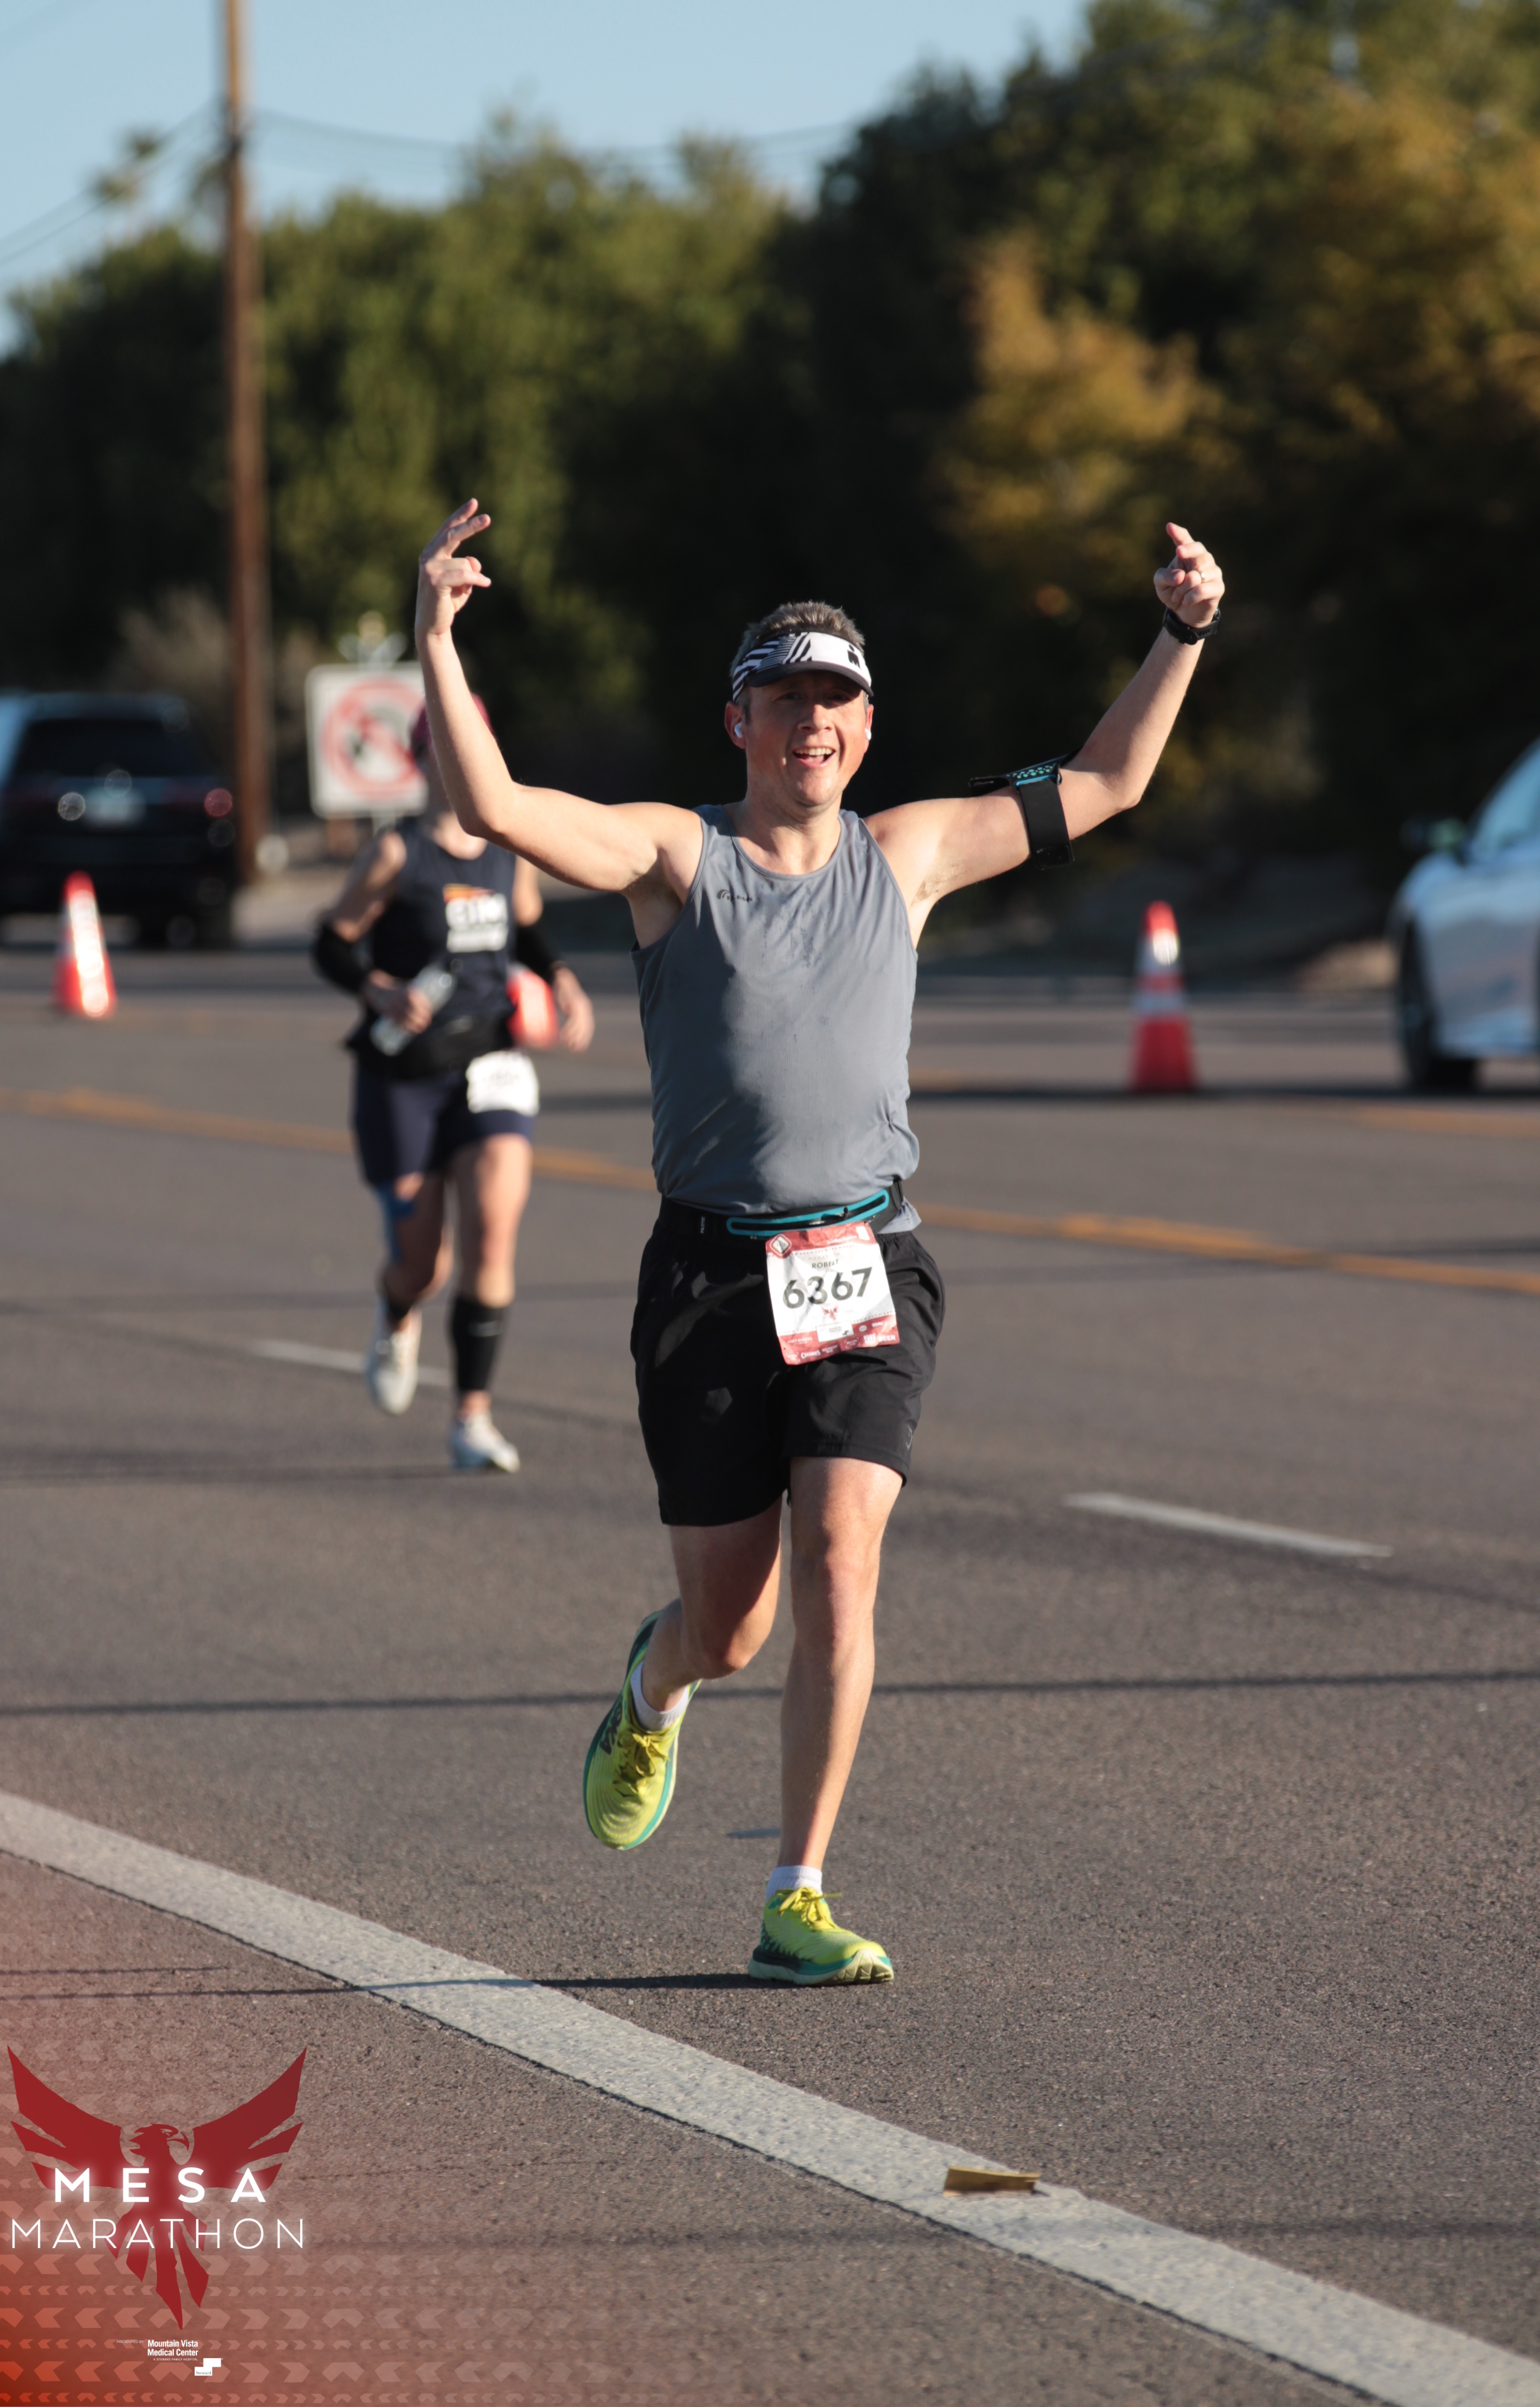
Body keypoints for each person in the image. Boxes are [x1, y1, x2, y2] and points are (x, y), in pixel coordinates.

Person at [414, 497, 1225, 1979]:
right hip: (709, 1278)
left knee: (843, 1559)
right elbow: (498, 807)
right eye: (784, 698)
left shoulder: (905, 855)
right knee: (728, 1625)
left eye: (834, 701)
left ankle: (795, 1890)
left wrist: (1179, 633)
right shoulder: (675, 858)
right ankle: (654, 1688)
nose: (811, 723)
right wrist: (437, 642)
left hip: (861, 1260)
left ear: (863, 727)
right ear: (738, 721)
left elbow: (1105, 782)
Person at [312, 705, 594, 1472]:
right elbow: (330, 943)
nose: (464, 759)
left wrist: (559, 976)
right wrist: (376, 989)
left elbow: (525, 926)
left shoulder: (507, 850)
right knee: (422, 1264)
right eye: (445, 746)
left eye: (477, 744)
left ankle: (473, 1417)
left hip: (489, 1064)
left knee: (493, 1232)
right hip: (403, 1075)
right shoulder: (396, 853)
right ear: (421, 759)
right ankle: (396, 1310)